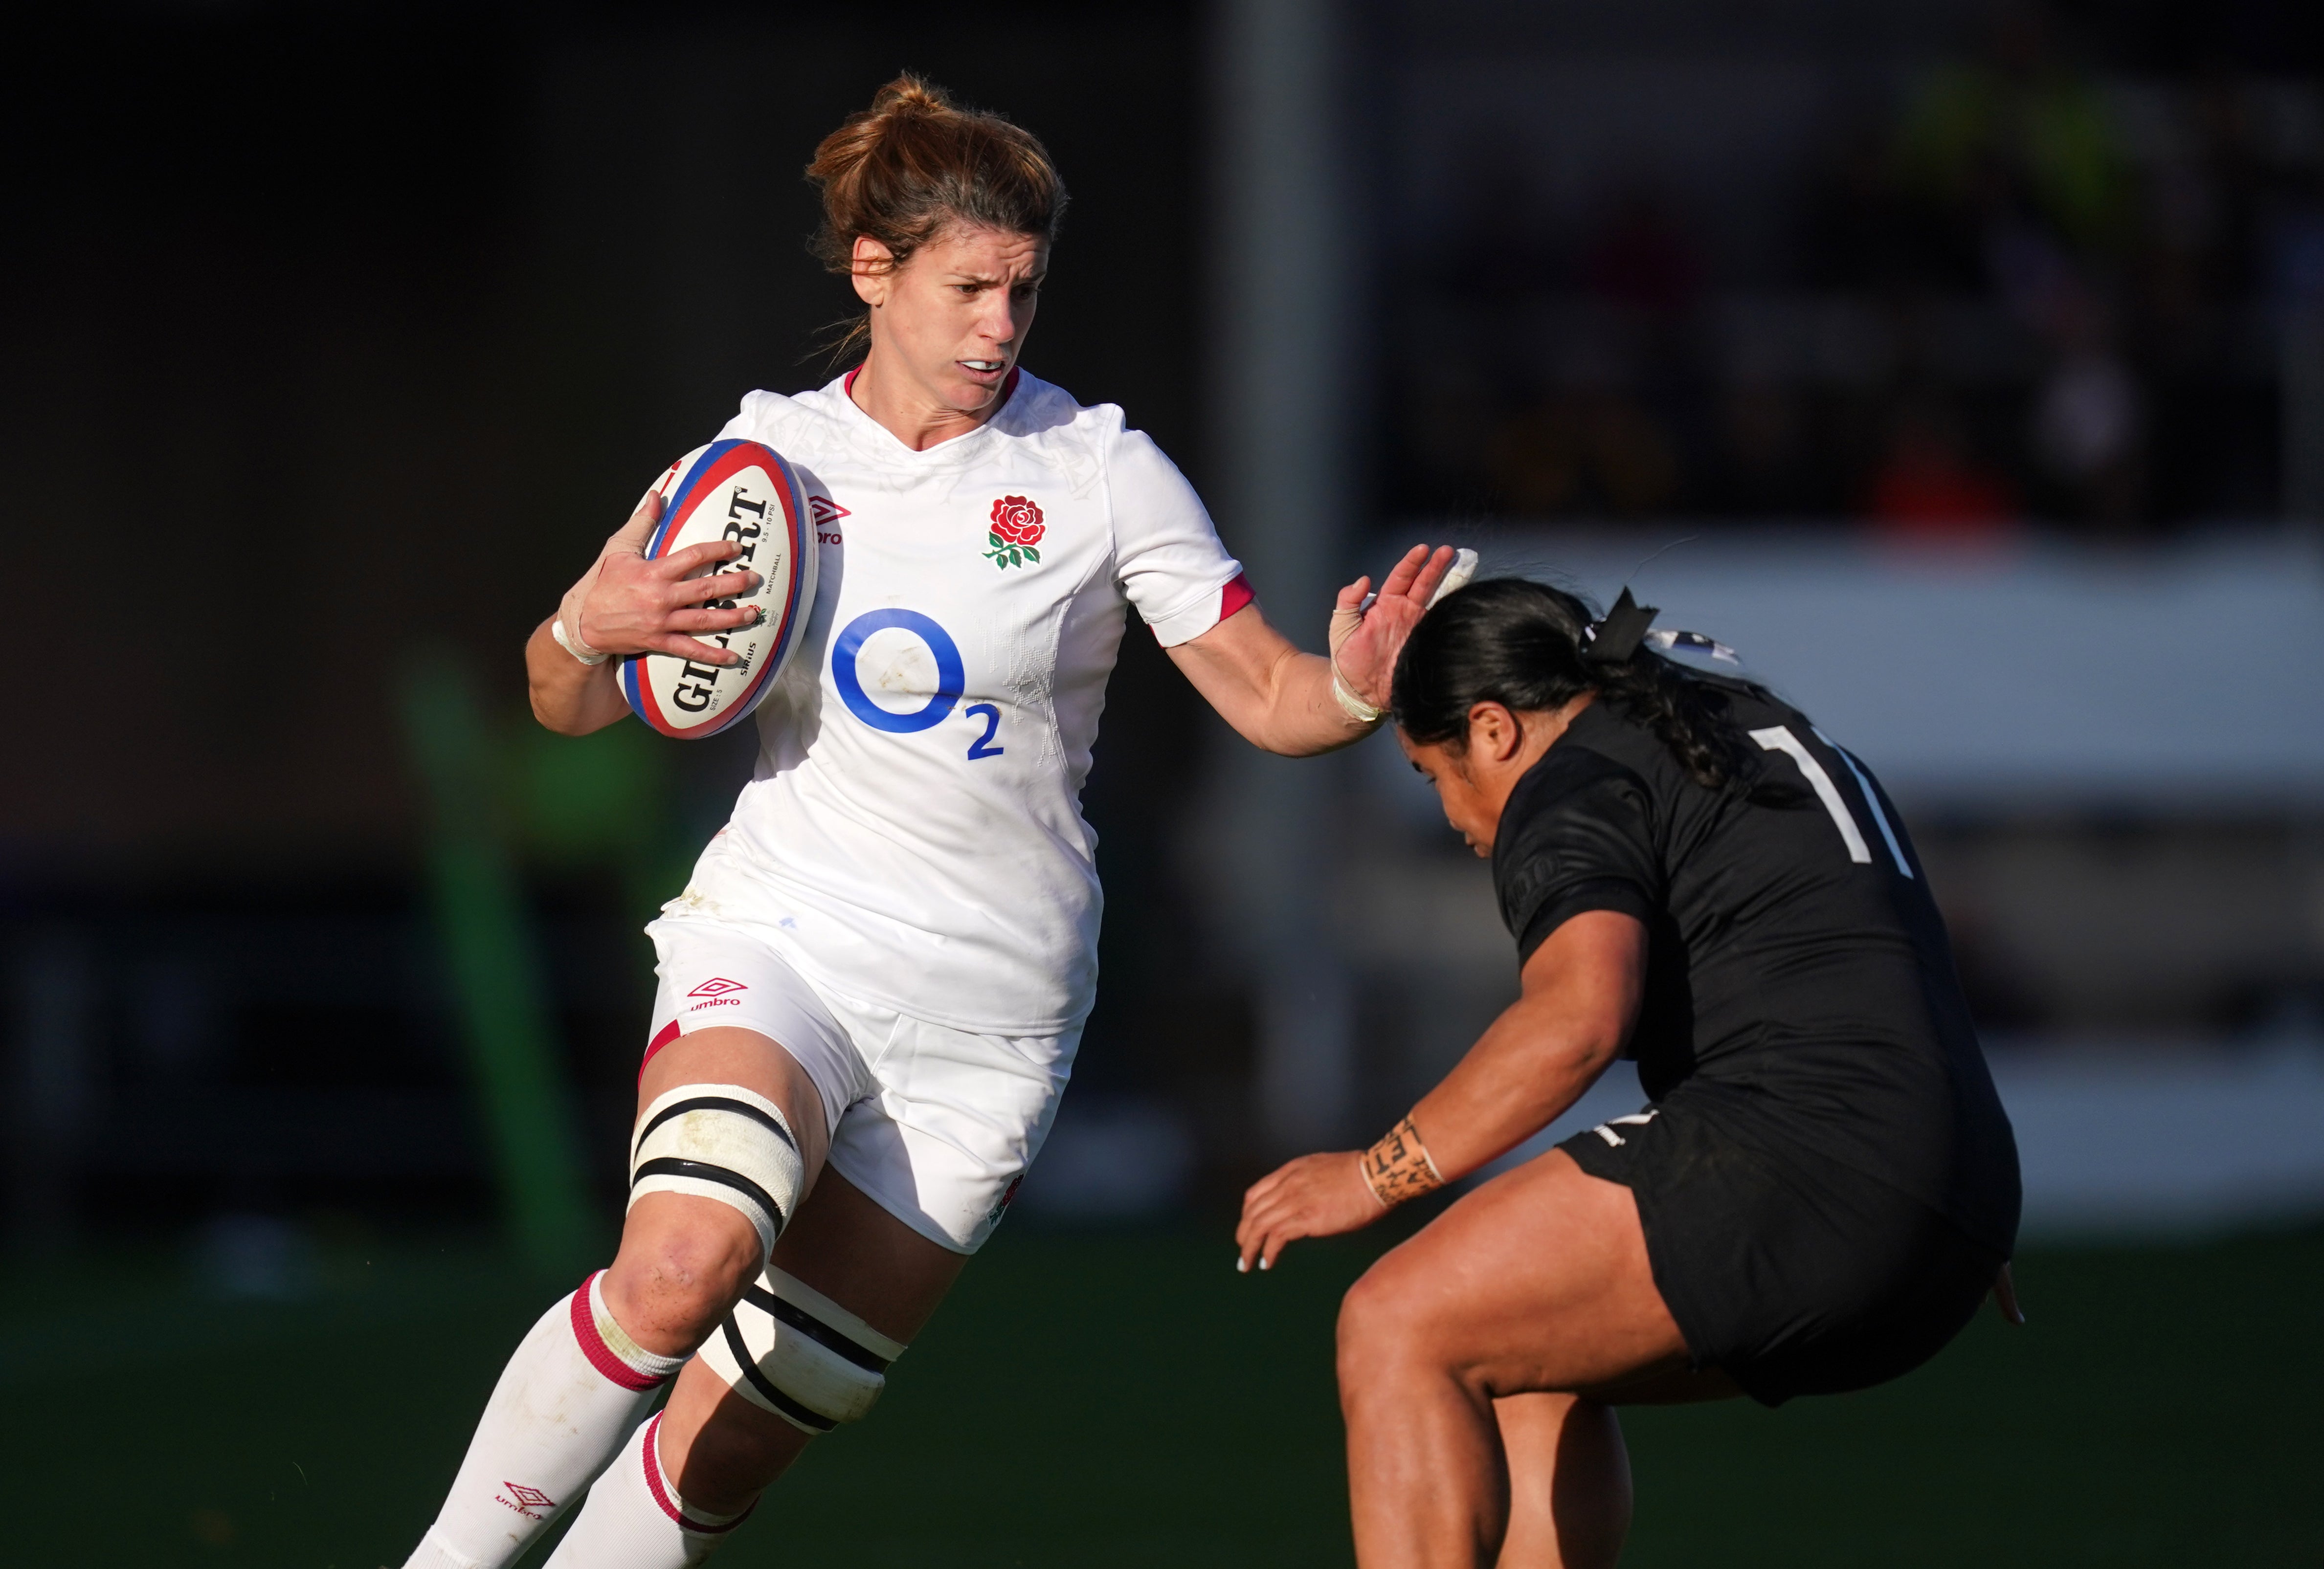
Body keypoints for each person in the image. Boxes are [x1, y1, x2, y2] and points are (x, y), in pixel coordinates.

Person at [401, 74, 1456, 1569]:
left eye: (1024, 290)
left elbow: (1269, 691)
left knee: (753, 1424)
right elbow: (569, 703)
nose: (1000, 327)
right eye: (969, 287)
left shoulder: (1097, 470)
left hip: (992, 1020)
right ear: (872, 271)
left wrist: (1350, 690)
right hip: (790, 938)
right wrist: (582, 629)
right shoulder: (761, 469)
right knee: (684, 1262)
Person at [1234, 578, 2022, 1569]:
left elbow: (1576, 1019)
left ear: (1493, 730)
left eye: (1434, 772)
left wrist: (1372, 1175)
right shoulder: (1743, 723)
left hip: (1814, 1166)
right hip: (1962, 1200)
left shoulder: (1574, 779)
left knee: (1398, 1323)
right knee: (1518, 1354)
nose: (1449, 813)